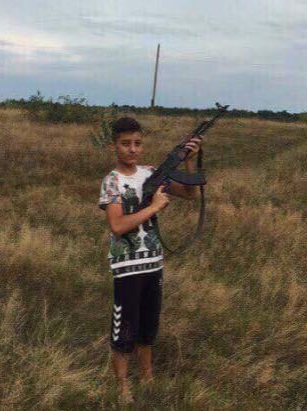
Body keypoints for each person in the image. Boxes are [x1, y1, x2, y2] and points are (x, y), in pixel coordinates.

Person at [97, 117, 203, 404]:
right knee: (124, 327)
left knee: (148, 325)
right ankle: (122, 386)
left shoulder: (151, 173)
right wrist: (154, 207)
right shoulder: (112, 181)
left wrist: (189, 162)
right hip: (126, 265)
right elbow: (117, 226)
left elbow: (190, 193)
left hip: (153, 262)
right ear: (114, 146)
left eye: (137, 143)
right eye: (125, 144)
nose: (132, 149)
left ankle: (147, 377)